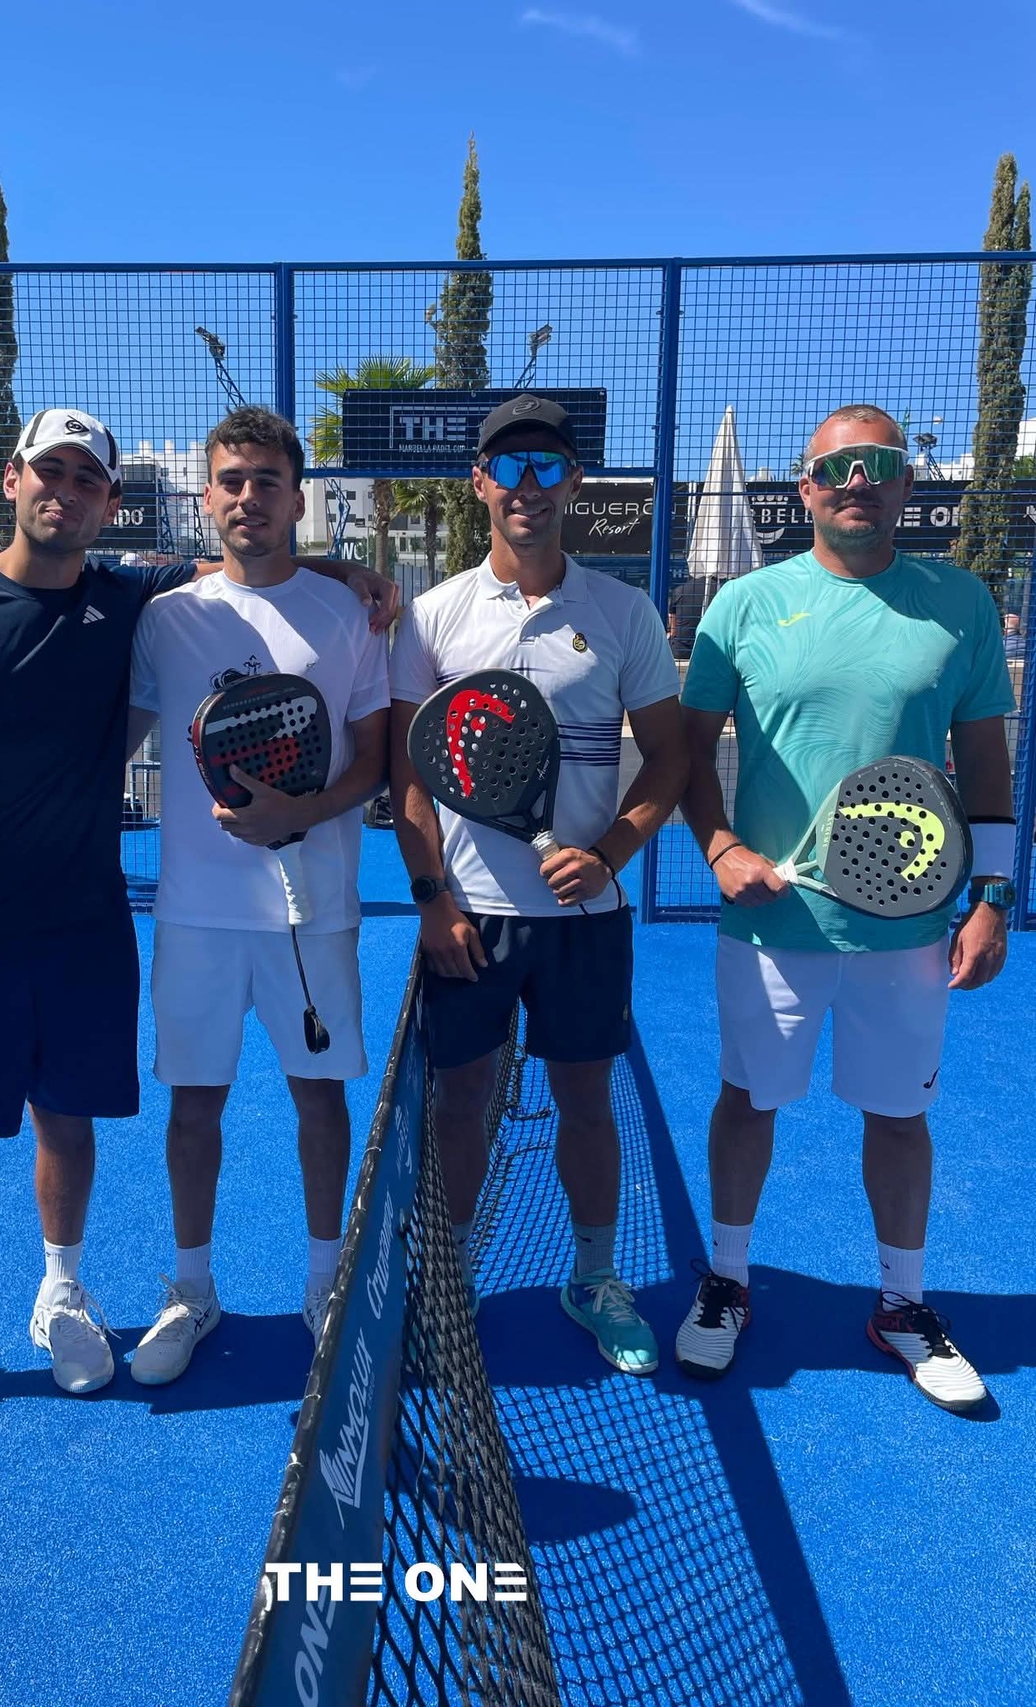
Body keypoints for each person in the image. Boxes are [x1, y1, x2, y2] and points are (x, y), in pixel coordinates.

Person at [0, 408, 397, 1457]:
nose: (247, 497)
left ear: (109, 500)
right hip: (21, 919)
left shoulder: (195, 603)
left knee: (144, 1115)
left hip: (156, 921)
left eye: (268, 482)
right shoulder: (106, 609)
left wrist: (346, 573)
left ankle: (281, 1285)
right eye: (47, 471)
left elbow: (358, 732)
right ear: (12, 479)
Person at [676, 404, 1016, 1414]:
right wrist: (720, 846)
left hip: (909, 928)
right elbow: (684, 755)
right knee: (747, 1101)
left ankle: (901, 1305)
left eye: (877, 464)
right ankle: (726, 1281)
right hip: (770, 927)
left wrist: (993, 895)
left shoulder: (959, 604)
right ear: (806, 489)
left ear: (904, 483)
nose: (856, 481)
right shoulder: (744, 606)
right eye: (835, 468)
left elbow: (986, 763)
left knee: (900, 1116)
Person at [387, 395, 688, 1374]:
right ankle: (449, 1278)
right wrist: (431, 898)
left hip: (584, 919)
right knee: (460, 1100)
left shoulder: (623, 613)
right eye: (508, 467)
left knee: (587, 1099)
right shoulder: (435, 614)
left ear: (574, 481)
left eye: (547, 466)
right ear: (479, 482)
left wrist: (610, 852)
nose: (528, 486)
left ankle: (594, 1278)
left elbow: (670, 759)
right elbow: (409, 775)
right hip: (470, 920)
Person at [125, 407, 389, 1382]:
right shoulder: (166, 617)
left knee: (320, 1100)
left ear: (296, 497)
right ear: (207, 496)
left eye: (267, 480)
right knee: (193, 1108)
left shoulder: (349, 613)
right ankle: (192, 1290)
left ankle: (324, 1284)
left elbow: (374, 760)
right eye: (231, 480)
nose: (248, 497)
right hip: (195, 914)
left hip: (311, 915)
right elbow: (112, 741)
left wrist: (304, 811)